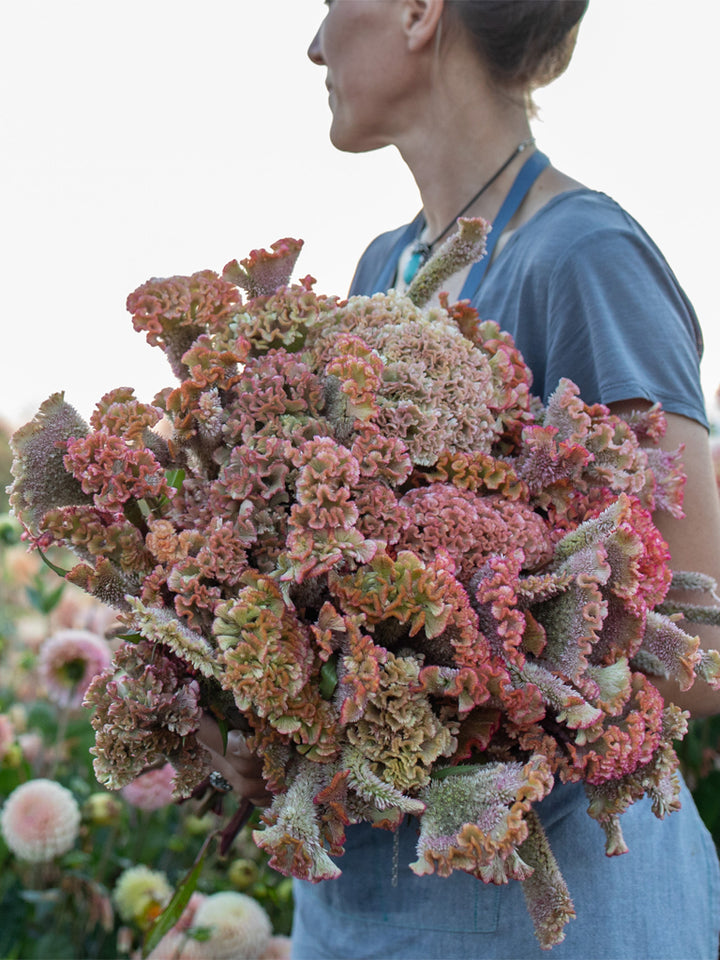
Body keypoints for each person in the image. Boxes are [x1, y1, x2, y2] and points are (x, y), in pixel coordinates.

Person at [201, 2, 720, 956]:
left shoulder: (585, 258)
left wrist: (474, 674)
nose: (315, 42)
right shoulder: (378, 270)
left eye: (327, 2)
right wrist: (251, 701)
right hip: (368, 907)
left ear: (416, 11)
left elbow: (701, 644)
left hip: (555, 918)